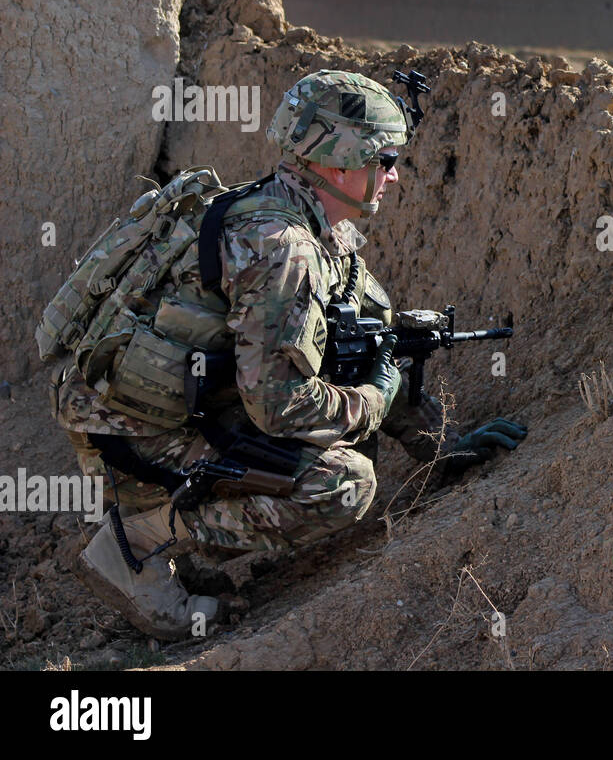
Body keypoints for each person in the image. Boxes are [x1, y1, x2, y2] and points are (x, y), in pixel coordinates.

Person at [51, 69, 526, 640]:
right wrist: (376, 398)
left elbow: (363, 346)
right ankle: (138, 538)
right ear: (338, 161)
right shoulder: (281, 250)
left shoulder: (316, 226)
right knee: (344, 484)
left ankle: (174, 516)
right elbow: (282, 409)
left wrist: (437, 449)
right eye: (384, 158)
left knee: (352, 389)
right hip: (130, 435)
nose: (394, 176)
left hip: (190, 402)